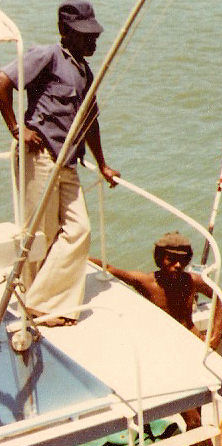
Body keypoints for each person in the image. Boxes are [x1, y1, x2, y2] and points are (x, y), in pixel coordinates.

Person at [0, 2, 120, 326]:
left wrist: (103, 164)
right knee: (41, 232)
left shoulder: (86, 73)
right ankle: (37, 304)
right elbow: (2, 82)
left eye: (94, 35)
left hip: (67, 163)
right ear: (66, 33)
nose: (93, 42)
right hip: (40, 157)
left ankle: (42, 301)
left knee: (80, 229)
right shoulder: (47, 56)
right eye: (85, 35)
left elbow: (91, 121)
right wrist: (16, 128)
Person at [90, 231, 222, 446]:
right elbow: (110, 269)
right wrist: (77, 258)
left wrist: (215, 335)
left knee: (196, 415)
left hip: (193, 352)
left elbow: (219, 297)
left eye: (183, 261)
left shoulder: (192, 281)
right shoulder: (146, 282)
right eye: (170, 259)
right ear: (158, 257)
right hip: (166, 355)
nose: (177, 266)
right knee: (193, 418)